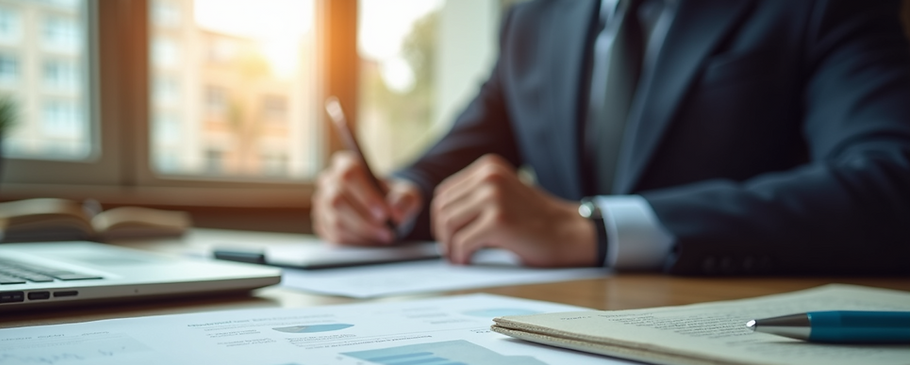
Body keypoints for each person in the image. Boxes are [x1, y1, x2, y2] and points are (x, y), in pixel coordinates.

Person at [313, 0, 910, 275]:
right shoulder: (533, 20)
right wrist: (386, 200)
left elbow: (892, 180)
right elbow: (452, 158)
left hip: (733, 332)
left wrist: (595, 229)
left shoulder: (819, 7)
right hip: (555, 331)